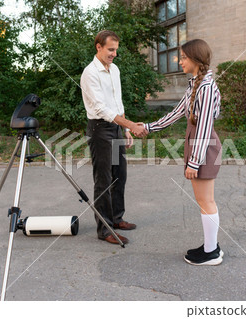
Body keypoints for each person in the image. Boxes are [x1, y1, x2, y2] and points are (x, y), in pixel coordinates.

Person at [142, 39, 223, 265]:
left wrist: (194, 163)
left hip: (203, 149)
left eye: (184, 57)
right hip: (197, 146)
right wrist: (148, 127)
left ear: (196, 60)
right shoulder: (195, 85)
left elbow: (205, 128)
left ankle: (211, 253)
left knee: (206, 201)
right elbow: (176, 114)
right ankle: (211, 246)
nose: (180, 61)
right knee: (203, 200)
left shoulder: (206, 88)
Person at [80, 30, 146, 245]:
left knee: (119, 175)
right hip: (100, 129)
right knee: (103, 180)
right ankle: (105, 229)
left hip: (116, 128)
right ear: (98, 47)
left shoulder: (114, 69)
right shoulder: (90, 74)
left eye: (116, 50)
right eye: (110, 49)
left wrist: (125, 130)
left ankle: (117, 219)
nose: (114, 54)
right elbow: (101, 109)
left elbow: (118, 102)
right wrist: (131, 126)